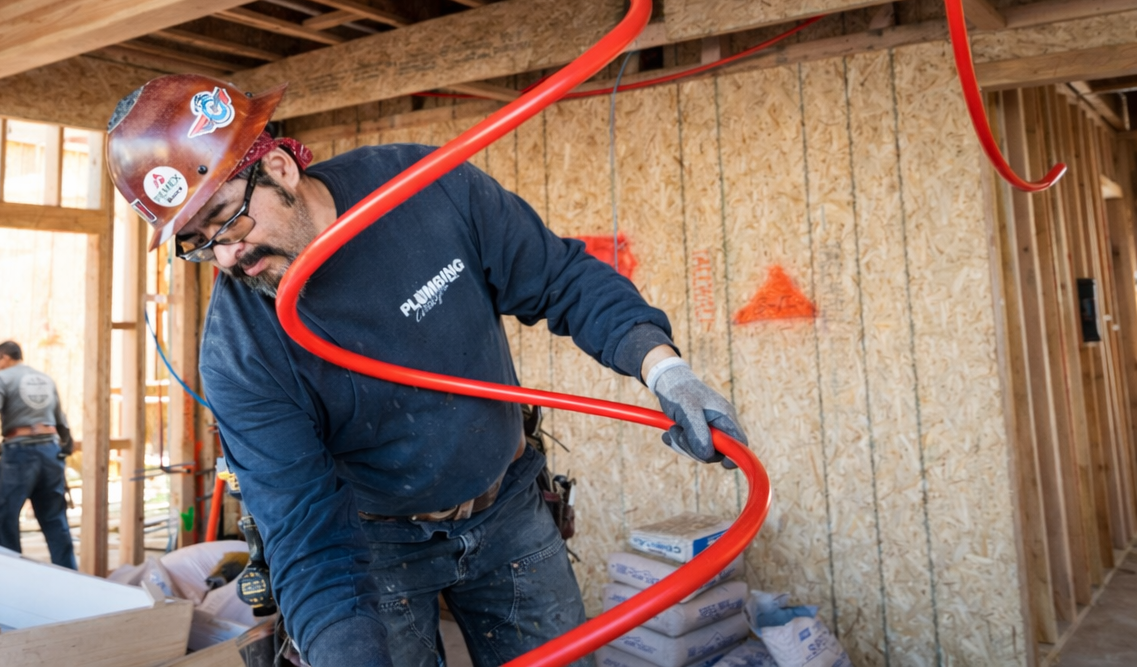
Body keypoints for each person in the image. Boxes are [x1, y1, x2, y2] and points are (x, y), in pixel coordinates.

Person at [104, 75, 748, 667]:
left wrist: (667, 373)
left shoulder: (422, 188)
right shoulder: (240, 352)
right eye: (198, 242)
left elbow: (561, 280)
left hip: (510, 510)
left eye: (229, 221)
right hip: (374, 548)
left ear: (278, 168)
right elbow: (303, 531)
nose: (229, 255)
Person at [0, 340, 78, 569]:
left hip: (21, 452)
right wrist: (67, 445)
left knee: (3, 513)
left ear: (5, 357)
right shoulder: (45, 378)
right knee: (54, 517)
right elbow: (60, 418)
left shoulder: (3, 378)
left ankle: (9, 574)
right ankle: (70, 575)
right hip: (51, 452)